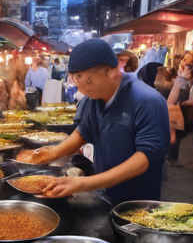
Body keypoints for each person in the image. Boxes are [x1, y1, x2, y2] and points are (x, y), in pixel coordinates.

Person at [17, 39, 170, 204]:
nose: (80, 86)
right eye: (75, 78)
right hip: (106, 194)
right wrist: (53, 153)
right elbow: (84, 131)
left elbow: (143, 160)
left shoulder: (146, 100)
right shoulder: (93, 98)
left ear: (109, 71)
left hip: (139, 202)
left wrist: (83, 183)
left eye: (83, 77)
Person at [167, 52, 193, 166]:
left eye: (190, 65)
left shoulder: (190, 81)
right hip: (177, 111)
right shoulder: (181, 81)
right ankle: (172, 159)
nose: (188, 67)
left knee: (177, 136)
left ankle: (172, 158)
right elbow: (171, 100)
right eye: (186, 64)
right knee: (175, 136)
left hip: (183, 111)